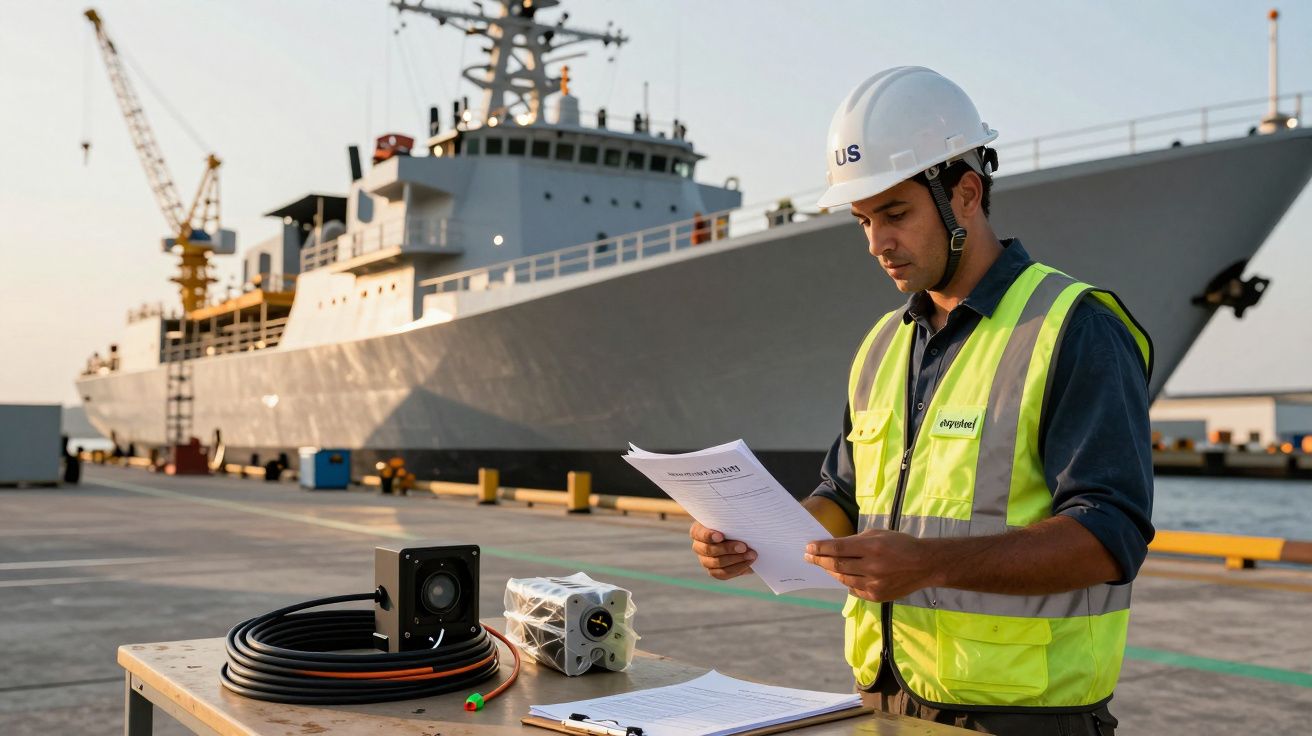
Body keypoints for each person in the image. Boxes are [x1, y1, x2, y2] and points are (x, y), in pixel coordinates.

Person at [688, 67, 1153, 735]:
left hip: (1025, 716)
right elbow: (844, 496)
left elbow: (1111, 536)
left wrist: (929, 564)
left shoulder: (1075, 329)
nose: (877, 243)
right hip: (883, 701)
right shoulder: (883, 345)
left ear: (966, 194)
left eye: (895, 214)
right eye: (863, 220)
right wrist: (758, 539)